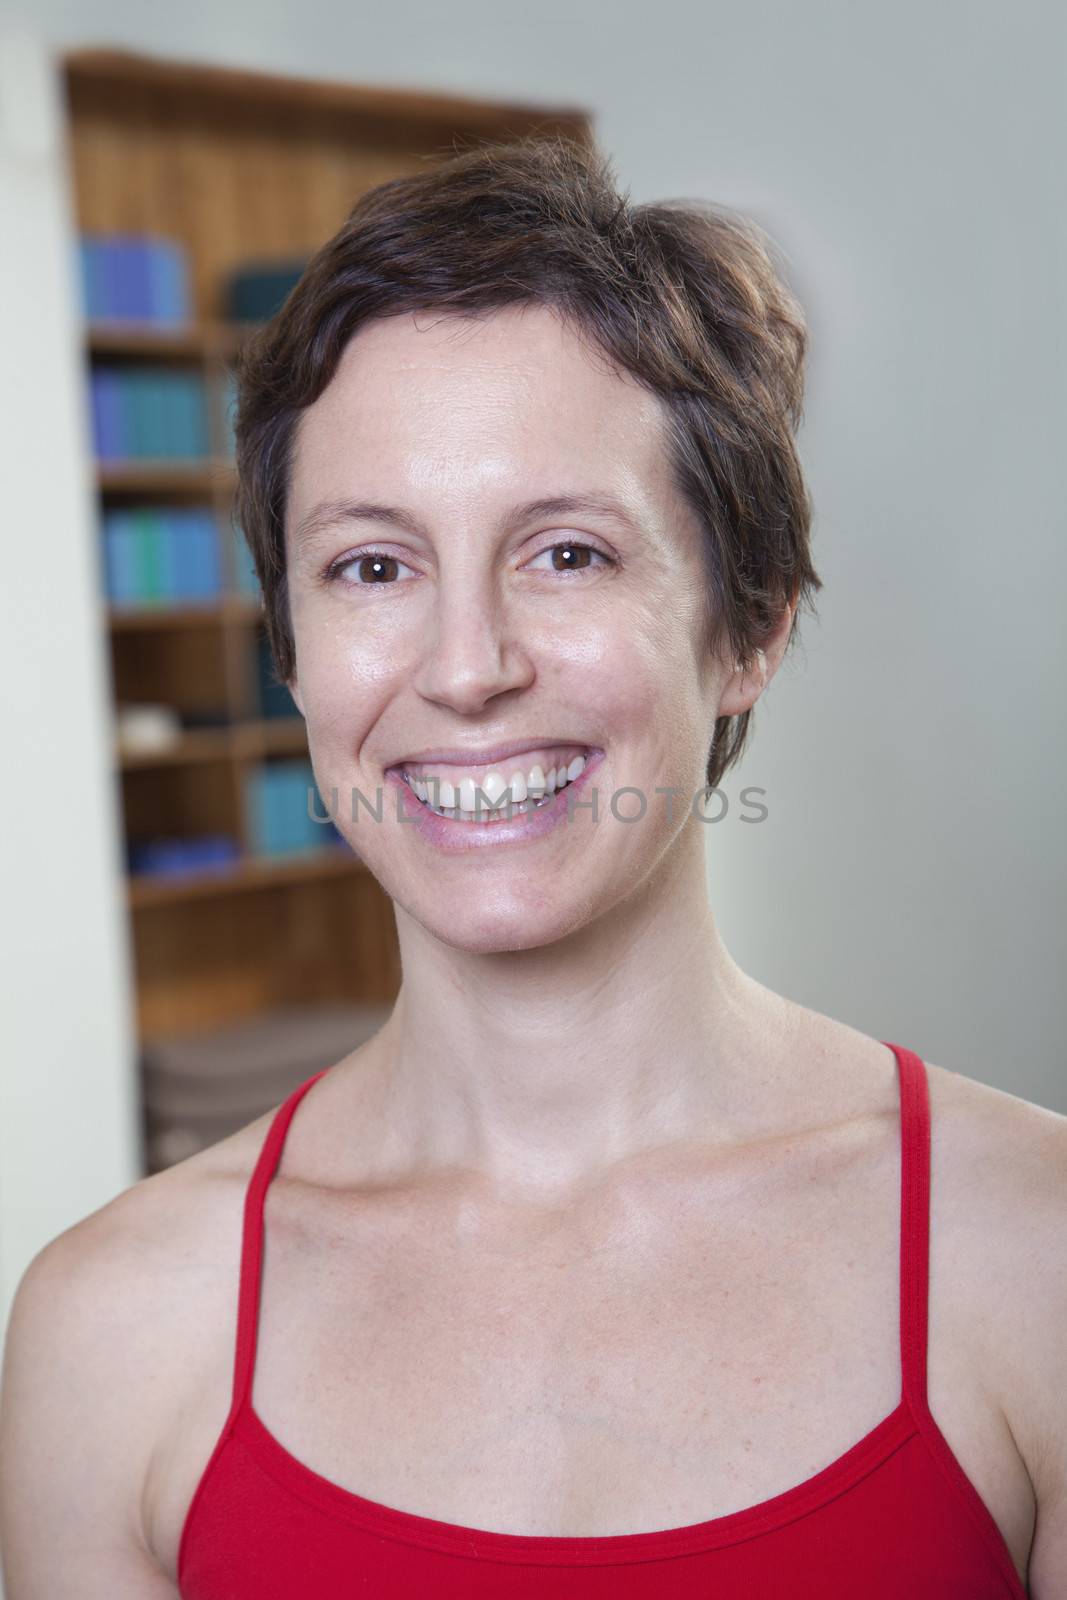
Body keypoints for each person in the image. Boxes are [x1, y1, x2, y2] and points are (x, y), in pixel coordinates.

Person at [0, 135, 1061, 1598]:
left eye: (566, 553)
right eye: (373, 567)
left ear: (750, 626)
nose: (468, 668)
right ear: (294, 657)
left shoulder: (1040, 1263)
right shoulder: (106, 1332)